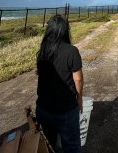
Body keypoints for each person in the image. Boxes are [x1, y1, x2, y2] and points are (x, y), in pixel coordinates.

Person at [36, 15, 84, 153]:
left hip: (43, 107)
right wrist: (79, 99)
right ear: (65, 30)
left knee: (46, 146)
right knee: (71, 146)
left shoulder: (43, 50)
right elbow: (78, 79)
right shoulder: (71, 51)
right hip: (65, 110)